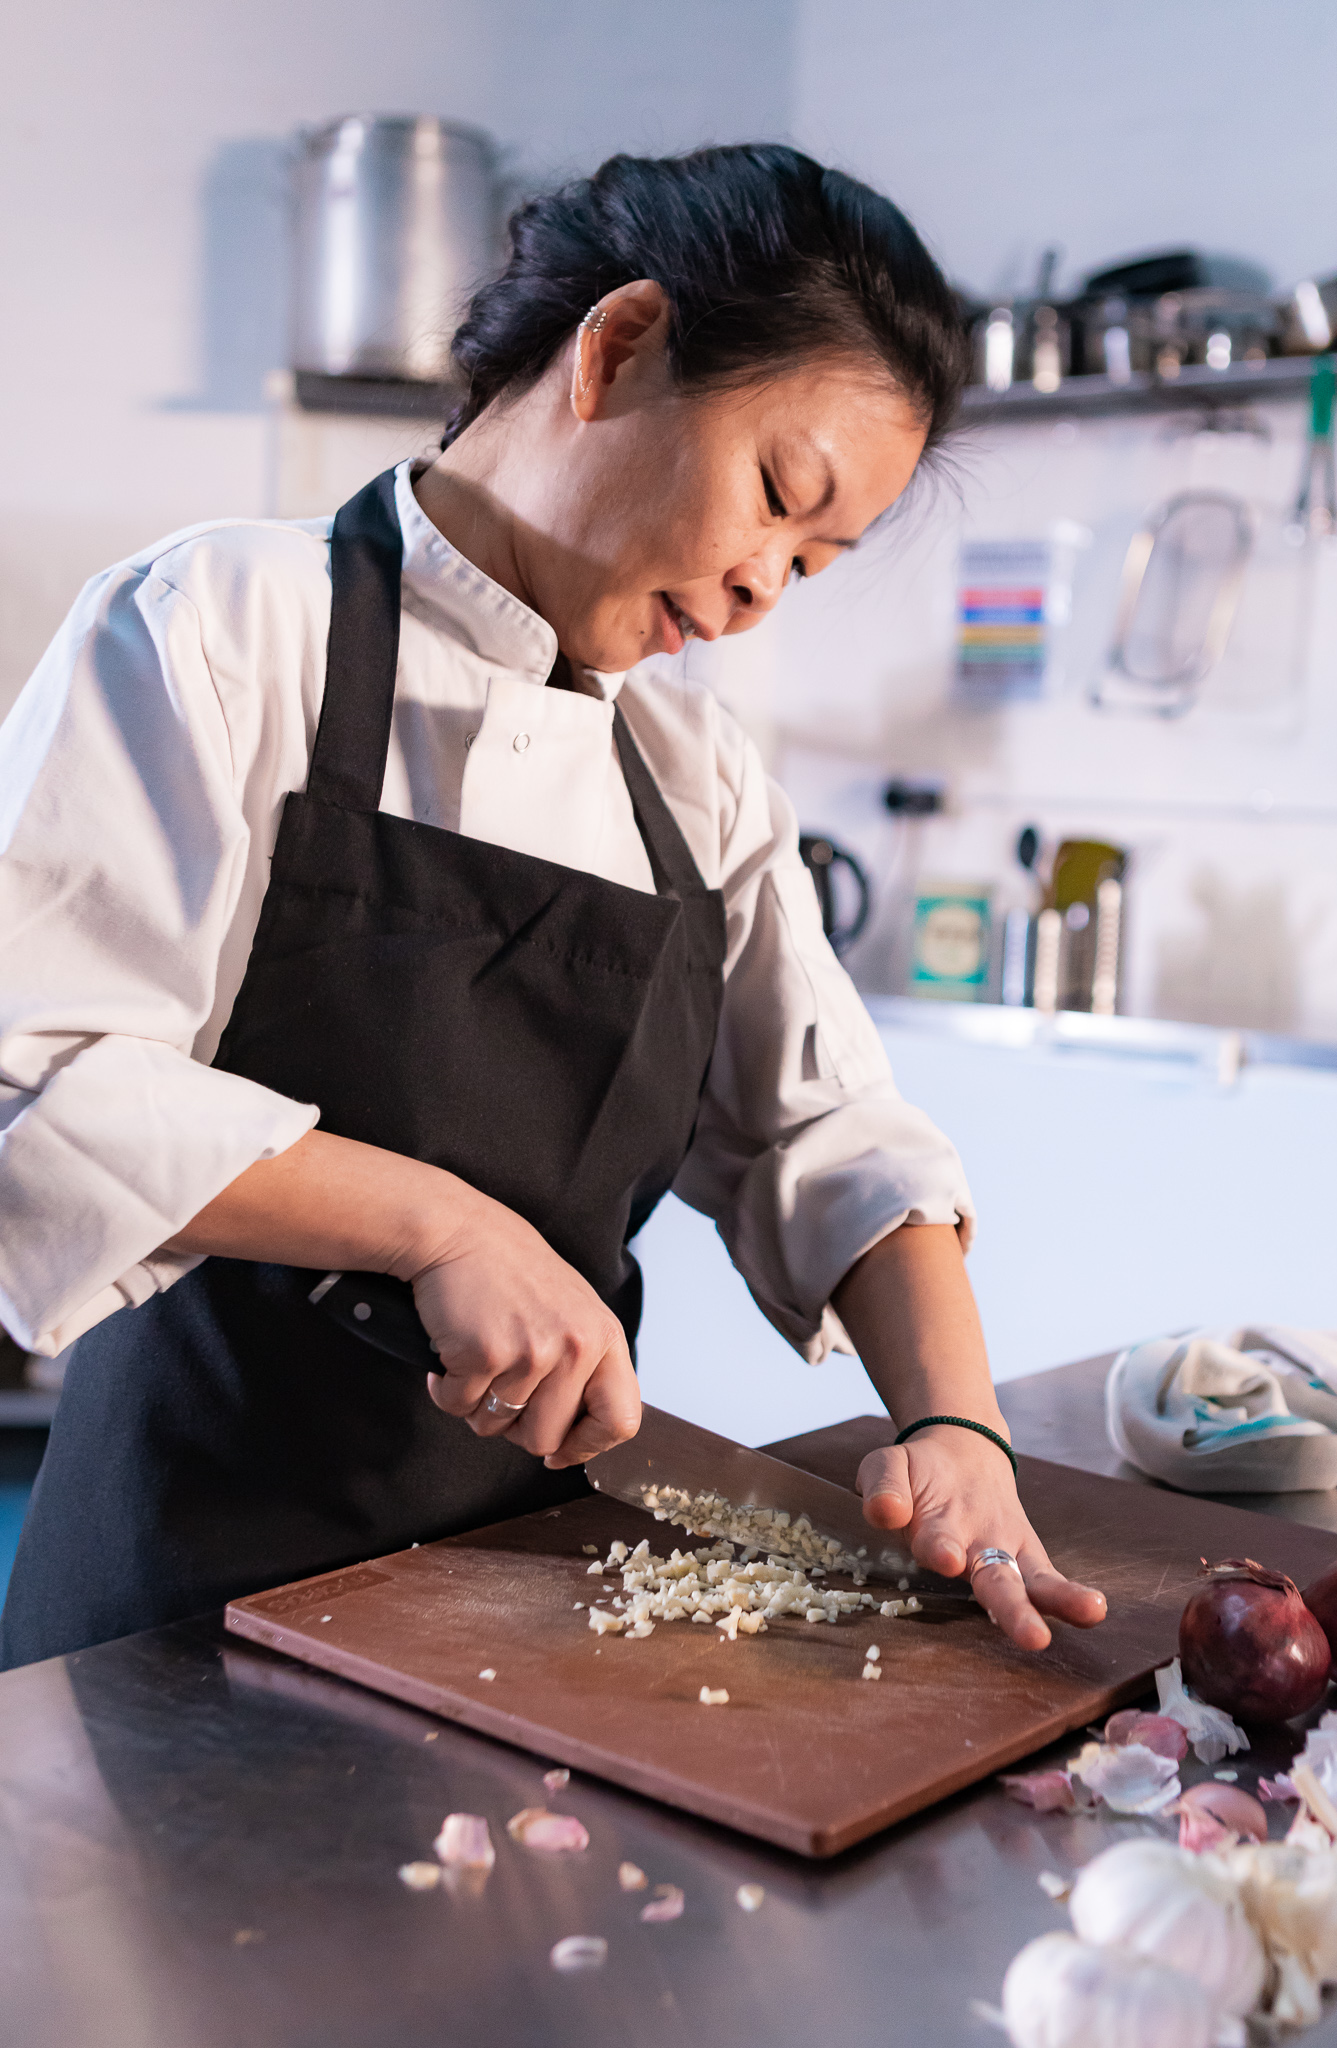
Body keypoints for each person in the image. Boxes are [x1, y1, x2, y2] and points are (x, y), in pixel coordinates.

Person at [0, 144, 1105, 1668]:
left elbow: (823, 1131)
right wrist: (438, 1227)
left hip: (525, 1585)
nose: (764, 587)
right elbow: (35, 1068)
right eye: (779, 499)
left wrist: (952, 1423)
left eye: (814, 557)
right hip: (176, 1591)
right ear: (618, 345)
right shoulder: (230, 628)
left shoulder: (691, 774)